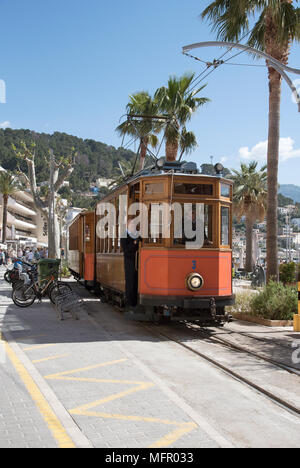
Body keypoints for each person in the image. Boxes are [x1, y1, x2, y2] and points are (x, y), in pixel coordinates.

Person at [121, 220, 140, 309]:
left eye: (134, 224)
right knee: (130, 282)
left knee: (137, 282)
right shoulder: (124, 235)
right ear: (128, 225)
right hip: (129, 262)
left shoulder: (137, 234)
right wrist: (134, 243)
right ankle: (131, 303)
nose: (134, 226)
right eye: (132, 224)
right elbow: (126, 249)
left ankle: (136, 302)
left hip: (139, 261)